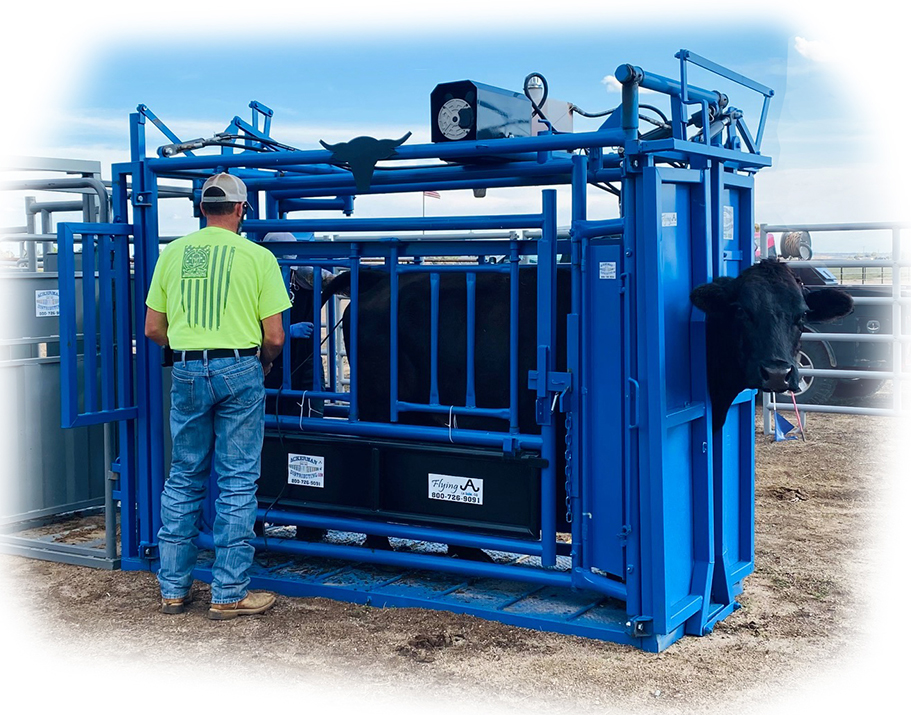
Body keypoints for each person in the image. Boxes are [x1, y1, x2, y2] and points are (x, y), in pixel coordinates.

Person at [144, 173, 291, 620]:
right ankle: (228, 593)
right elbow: (276, 336)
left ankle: (172, 590)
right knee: (237, 479)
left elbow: (153, 328)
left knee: (184, 477)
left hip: (187, 367)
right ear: (242, 210)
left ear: (200, 208)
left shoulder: (173, 255)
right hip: (240, 368)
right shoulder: (257, 256)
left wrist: (188, 354)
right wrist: (262, 363)